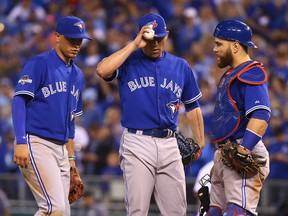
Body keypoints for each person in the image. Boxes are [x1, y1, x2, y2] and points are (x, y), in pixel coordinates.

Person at [96, 13, 205, 216]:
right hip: (137, 142)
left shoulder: (180, 66)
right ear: (141, 36)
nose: (155, 43)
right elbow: (102, 71)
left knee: (177, 211)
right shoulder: (128, 60)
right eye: (150, 39)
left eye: (159, 38)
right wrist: (134, 44)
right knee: (137, 210)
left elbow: (193, 106)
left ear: (167, 36)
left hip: (170, 143)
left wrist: (200, 141)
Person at [11, 16, 91, 215]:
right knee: (53, 207)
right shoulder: (39, 63)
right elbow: (19, 101)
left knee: (63, 212)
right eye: (71, 39)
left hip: (62, 150)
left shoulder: (78, 75)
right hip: (36, 142)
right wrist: (21, 141)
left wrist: (71, 159)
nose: (76, 45)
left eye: (79, 40)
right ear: (57, 37)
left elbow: (71, 121)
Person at [208, 20, 271, 215]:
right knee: (213, 212)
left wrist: (244, 149)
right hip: (226, 153)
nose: (214, 49)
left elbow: (261, 114)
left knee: (237, 213)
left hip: (242, 150)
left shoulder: (250, 72)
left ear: (235, 46)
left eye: (219, 44)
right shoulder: (230, 74)